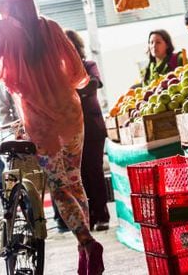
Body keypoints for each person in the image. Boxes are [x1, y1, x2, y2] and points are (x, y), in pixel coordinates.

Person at [0, 0, 104, 275]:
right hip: (71, 114)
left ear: (6, 3)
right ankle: (85, 250)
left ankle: (88, 243)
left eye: (0, 2)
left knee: (58, 188)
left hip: (41, 124)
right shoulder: (51, 27)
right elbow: (78, 74)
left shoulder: (1, 32)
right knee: (73, 182)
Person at [0, 82, 70, 232]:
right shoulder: (4, 82)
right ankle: (33, 223)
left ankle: (61, 219)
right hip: (21, 136)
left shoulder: (34, 68)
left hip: (46, 131)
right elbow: (3, 111)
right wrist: (14, 129)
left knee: (54, 175)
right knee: (27, 179)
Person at [65, 29, 110, 231]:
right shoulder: (60, 73)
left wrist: (72, 91)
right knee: (79, 174)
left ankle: (102, 215)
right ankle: (89, 216)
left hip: (92, 127)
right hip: (71, 130)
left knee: (95, 170)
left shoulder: (88, 65)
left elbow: (94, 83)